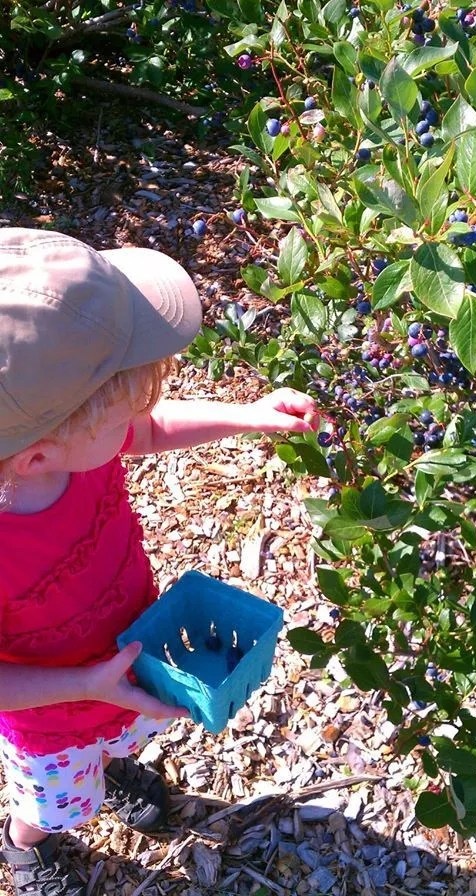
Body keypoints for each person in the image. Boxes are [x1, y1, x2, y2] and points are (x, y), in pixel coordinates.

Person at [0, 228, 319, 896]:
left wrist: (249, 416)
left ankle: (112, 765)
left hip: (129, 657)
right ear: (39, 456)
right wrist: (85, 686)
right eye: (119, 416)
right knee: (55, 803)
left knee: (122, 738)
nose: (134, 425)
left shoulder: (67, 440)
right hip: (52, 718)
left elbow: (150, 428)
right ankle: (26, 845)